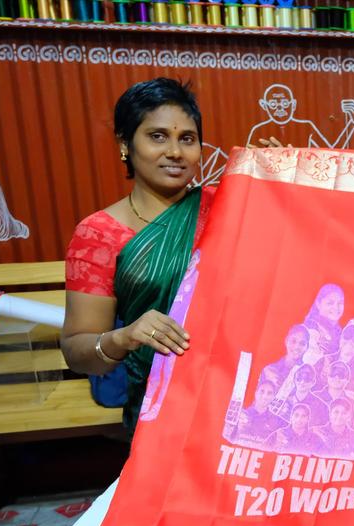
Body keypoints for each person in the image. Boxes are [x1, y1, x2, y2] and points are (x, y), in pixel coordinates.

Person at [62, 78, 214, 434]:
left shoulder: (228, 210)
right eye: (157, 136)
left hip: (233, 401)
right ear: (125, 144)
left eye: (187, 139)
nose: (175, 152)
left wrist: (281, 179)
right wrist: (124, 337)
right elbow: (76, 352)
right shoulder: (99, 234)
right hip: (156, 414)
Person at [302, 283, 345, 365]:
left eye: (340, 303)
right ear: (318, 304)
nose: (336, 307)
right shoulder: (311, 327)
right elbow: (310, 360)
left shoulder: (341, 331)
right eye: (330, 303)